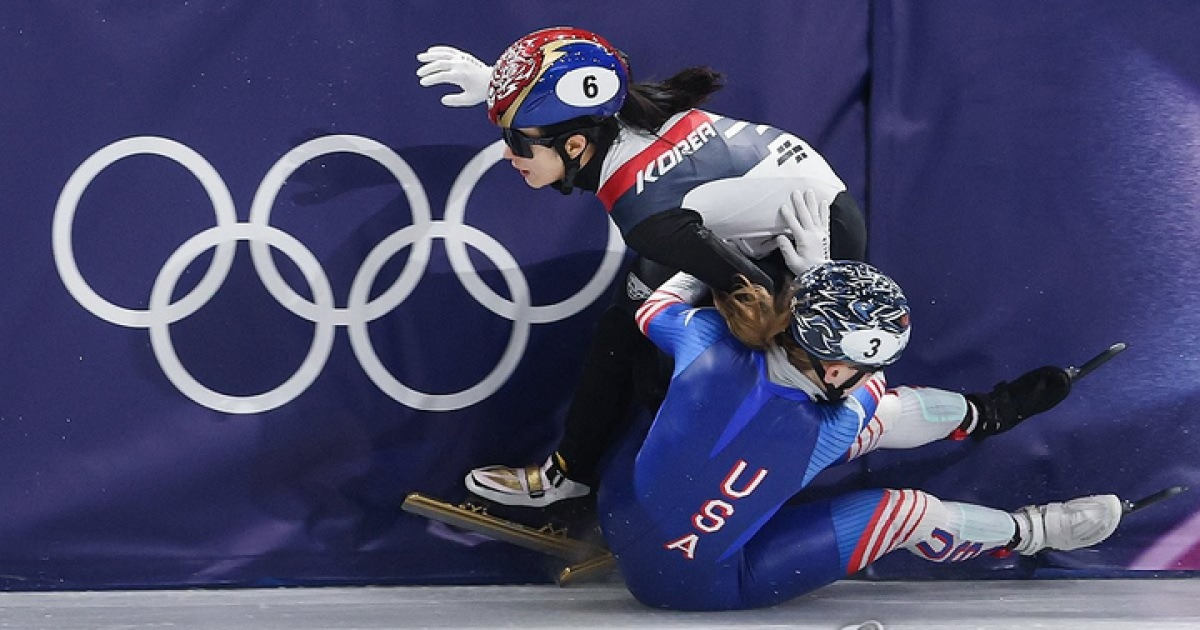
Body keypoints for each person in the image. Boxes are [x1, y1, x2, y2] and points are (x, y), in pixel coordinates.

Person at [415, 27, 1071, 511]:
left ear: (576, 143)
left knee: (781, 392)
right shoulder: (629, 116)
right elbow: (585, 88)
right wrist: (500, 88)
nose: (509, 156)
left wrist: (806, 291)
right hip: (773, 219)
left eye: (515, 142)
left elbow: (751, 291)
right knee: (633, 324)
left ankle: (979, 413)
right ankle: (576, 474)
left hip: (810, 246)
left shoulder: (643, 207)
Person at [597, 259, 1124, 610]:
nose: (870, 375)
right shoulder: (843, 419)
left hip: (619, 509)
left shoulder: (709, 338)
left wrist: (716, 252)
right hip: (704, 585)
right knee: (907, 508)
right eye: (867, 366)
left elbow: (654, 309)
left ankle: (986, 419)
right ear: (833, 369)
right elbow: (873, 397)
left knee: (742, 428)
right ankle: (1024, 531)